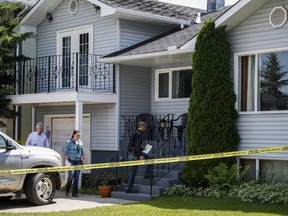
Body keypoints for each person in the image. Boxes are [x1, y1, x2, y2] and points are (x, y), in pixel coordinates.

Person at [125, 121, 154, 193]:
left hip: (131, 152)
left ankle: (128, 188)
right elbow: (136, 147)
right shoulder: (139, 134)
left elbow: (132, 145)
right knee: (134, 171)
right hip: (135, 154)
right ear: (142, 126)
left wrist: (142, 148)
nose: (145, 129)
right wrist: (140, 155)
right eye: (145, 127)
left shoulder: (134, 133)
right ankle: (129, 188)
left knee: (133, 170)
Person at [62, 130, 86, 197]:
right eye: (77, 135)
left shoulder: (80, 142)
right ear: (73, 134)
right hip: (71, 161)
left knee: (77, 177)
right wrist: (63, 162)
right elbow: (65, 153)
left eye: (79, 135)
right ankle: (67, 189)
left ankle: (75, 193)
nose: (78, 136)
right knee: (71, 176)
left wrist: (84, 160)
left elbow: (82, 152)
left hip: (78, 161)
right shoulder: (69, 142)